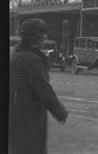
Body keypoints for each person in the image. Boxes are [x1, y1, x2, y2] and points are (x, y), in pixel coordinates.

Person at [9, 18, 69, 154]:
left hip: (14, 117)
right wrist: (59, 111)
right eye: (42, 36)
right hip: (29, 119)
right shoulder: (32, 60)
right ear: (37, 38)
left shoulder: (15, 56)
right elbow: (44, 90)